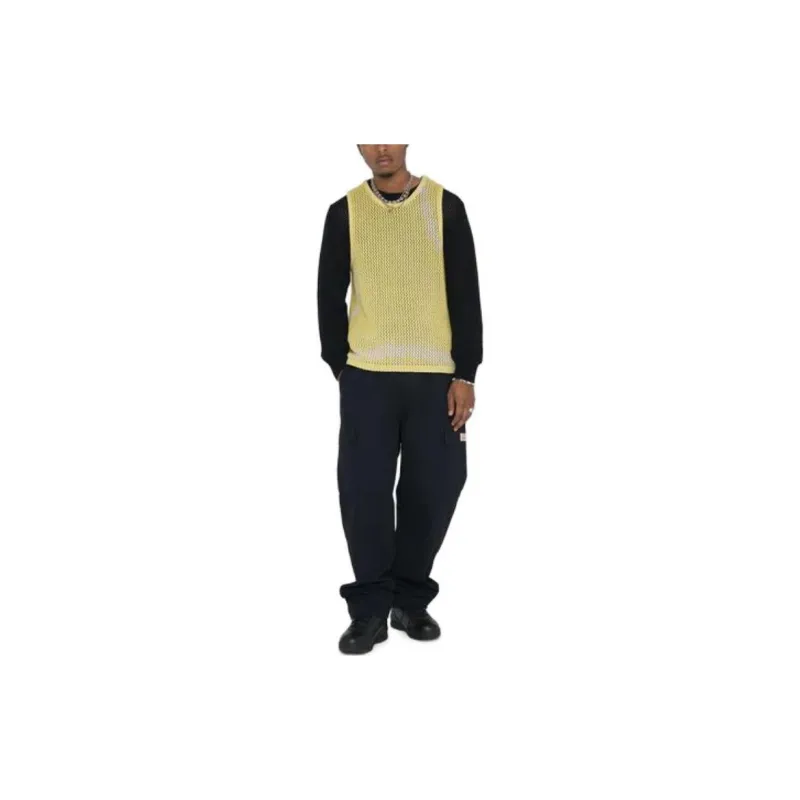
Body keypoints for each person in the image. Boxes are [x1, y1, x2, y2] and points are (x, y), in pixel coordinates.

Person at [317, 144, 483, 654]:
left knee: (436, 488)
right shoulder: (345, 212)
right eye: (370, 137)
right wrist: (342, 366)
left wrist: (465, 373)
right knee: (363, 492)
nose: (381, 148)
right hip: (367, 377)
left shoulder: (445, 206)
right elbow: (328, 294)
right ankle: (369, 610)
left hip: (436, 378)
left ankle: (410, 599)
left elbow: (465, 292)